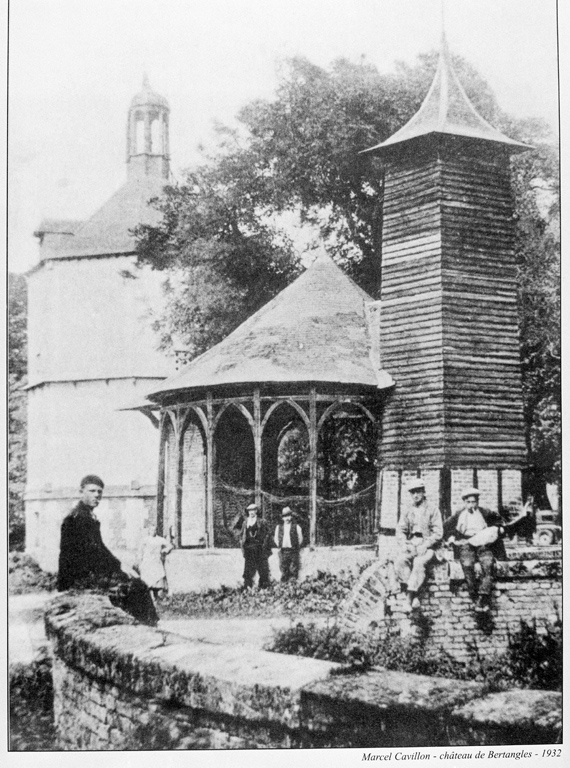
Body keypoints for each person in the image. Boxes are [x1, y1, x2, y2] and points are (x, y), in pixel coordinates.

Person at [57, 475, 158, 626]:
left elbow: (99, 547)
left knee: (135, 584)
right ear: (81, 491)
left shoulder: (87, 516)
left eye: (99, 492)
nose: (97, 495)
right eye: (92, 491)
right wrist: (119, 567)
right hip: (81, 578)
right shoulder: (77, 518)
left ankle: (144, 624)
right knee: (137, 587)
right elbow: (92, 551)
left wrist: (121, 566)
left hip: (88, 573)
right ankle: (148, 626)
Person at [443, 487, 506, 613]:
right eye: (468, 502)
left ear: (477, 502)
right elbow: (446, 528)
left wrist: (498, 529)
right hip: (466, 543)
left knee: (488, 564)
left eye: (474, 502)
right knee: (467, 564)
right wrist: (452, 538)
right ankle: (474, 594)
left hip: (483, 544)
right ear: (464, 502)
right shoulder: (458, 514)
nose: (471, 505)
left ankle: (483, 596)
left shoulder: (485, 512)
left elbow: (499, 523)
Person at [395, 478, 443, 612]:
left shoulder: (433, 509)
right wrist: (404, 543)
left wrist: (426, 544)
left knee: (419, 562)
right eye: (412, 493)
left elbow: (438, 533)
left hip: (429, 546)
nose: (415, 495)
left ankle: (409, 599)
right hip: (412, 543)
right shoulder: (407, 510)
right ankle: (415, 594)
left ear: (423, 493)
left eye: (418, 492)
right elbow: (400, 530)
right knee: (400, 560)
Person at [240, 503, 272, 589]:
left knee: (262, 569)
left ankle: (264, 587)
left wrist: (264, 546)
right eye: (249, 510)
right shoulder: (245, 522)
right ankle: (247, 587)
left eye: (253, 510)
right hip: (249, 550)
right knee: (248, 569)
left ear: (256, 511)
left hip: (259, 549)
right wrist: (243, 546)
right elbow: (242, 535)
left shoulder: (261, 522)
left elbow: (268, 534)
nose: (251, 512)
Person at [137, 526, 174, 601]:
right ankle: (150, 596)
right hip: (147, 561)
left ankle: (157, 595)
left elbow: (170, 546)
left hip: (156, 561)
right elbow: (140, 550)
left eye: (155, 530)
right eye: (151, 530)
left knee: (157, 577)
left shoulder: (159, 539)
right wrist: (140, 559)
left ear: (156, 531)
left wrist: (165, 550)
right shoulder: (145, 539)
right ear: (149, 530)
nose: (153, 531)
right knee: (148, 578)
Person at [274, 507, 303, 582]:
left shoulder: (296, 527)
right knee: (283, 569)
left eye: (288, 516)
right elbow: (276, 538)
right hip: (283, 551)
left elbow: (300, 538)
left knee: (293, 569)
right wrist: (279, 546)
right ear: (282, 518)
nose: (287, 518)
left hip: (293, 551)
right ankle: (284, 586)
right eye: (285, 516)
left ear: (291, 516)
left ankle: (293, 586)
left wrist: (296, 546)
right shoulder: (279, 527)